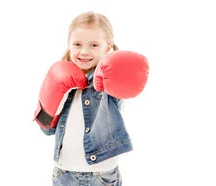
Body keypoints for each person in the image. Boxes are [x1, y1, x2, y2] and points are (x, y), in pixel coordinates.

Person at [32, 11, 149, 186]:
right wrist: (56, 90)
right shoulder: (61, 76)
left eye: (94, 45)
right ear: (69, 45)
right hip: (64, 173)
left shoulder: (108, 81)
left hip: (101, 175)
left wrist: (114, 70)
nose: (84, 51)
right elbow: (47, 130)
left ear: (108, 48)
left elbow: (122, 90)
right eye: (77, 44)